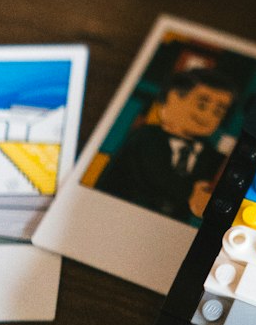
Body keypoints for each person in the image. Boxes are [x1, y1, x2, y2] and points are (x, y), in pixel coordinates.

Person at [94, 68, 238, 220]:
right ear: (173, 98)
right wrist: (191, 194)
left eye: (218, 112)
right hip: (119, 216)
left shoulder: (208, 153)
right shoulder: (146, 137)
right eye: (201, 105)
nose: (208, 117)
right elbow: (156, 176)